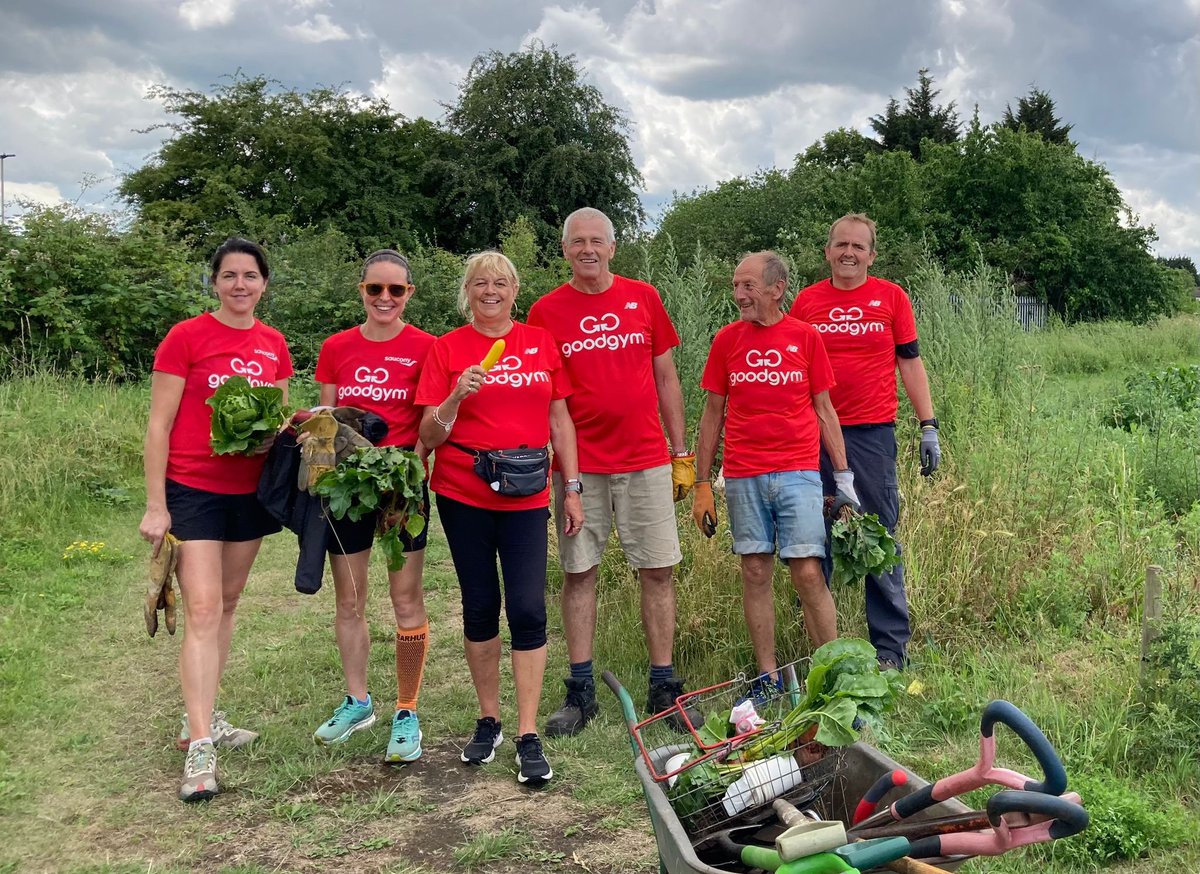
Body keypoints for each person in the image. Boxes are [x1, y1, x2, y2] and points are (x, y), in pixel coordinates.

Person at [416, 251, 584, 785]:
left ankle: (528, 732)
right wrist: (454, 398)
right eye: (481, 283)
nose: (491, 291)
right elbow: (427, 435)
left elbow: (560, 419)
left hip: (528, 493)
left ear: (515, 290)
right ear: (467, 292)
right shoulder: (447, 349)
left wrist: (572, 489)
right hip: (464, 493)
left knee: (530, 609)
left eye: (501, 283)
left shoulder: (538, 342)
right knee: (481, 605)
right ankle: (488, 717)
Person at [527, 207, 695, 737]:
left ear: (613, 247)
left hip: (646, 458)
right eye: (577, 242)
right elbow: (542, 396)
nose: (587, 250)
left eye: (597, 241)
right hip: (580, 467)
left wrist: (681, 451)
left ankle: (664, 686)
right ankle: (580, 691)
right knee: (579, 572)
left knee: (659, 569)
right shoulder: (545, 311)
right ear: (564, 250)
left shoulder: (643, 297)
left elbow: (666, 377)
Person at [139, 237, 293, 803]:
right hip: (193, 489)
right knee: (202, 608)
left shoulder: (274, 344)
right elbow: (159, 425)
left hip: (247, 493)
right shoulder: (186, 337)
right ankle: (201, 744)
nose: (239, 285)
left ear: (263, 284)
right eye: (229, 276)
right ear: (215, 283)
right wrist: (157, 504)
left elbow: (274, 423)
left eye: (250, 276)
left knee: (226, 605)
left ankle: (199, 715)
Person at [693, 252, 858, 687]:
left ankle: (830, 677)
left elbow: (824, 409)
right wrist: (702, 482)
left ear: (777, 287)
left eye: (747, 286)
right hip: (744, 473)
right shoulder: (727, 341)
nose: (738, 295)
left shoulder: (805, 338)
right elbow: (712, 415)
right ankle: (767, 677)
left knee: (807, 570)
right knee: (755, 570)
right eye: (735, 286)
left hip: (798, 472)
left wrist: (843, 479)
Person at [789, 214, 941, 670]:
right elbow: (787, 367)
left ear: (872, 255)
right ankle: (823, 648)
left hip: (872, 434)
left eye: (858, 246)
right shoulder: (807, 303)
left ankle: (890, 650)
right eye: (841, 245)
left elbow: (910, 364)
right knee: (815, 537)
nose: (848, 253)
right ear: (827, 251)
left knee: (878, 536)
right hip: (812, 434)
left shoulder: (891, 297)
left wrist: (928, 424)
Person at [309, 249, 436, 763]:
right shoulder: (336, 347)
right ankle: (358, 701)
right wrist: (319, 481)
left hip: (401, 484)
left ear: (409, 294)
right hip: (347, 487)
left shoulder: (428, 347)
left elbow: (428, 428)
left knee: (406, 600)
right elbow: (327, 423)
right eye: (375, 289)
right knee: (350, 599)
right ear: (360, 291)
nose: (385, 299)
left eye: (396, 290)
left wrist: (409, 479)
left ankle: (407, 709)